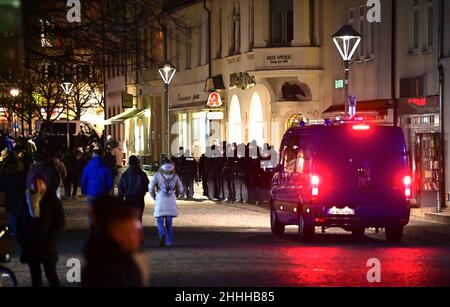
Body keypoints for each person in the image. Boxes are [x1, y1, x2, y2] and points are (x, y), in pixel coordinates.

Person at [81, 196, 148, 287]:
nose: (141, 237)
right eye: (134, 230)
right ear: (117, 233)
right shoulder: (128, 264)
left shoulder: (93, 253)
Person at [16, 172, 65, 287]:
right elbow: (19, 221)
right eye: (35, 182)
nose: (37, 185)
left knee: (51, 273)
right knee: (35, 276)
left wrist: (51, 238)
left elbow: (59, 220)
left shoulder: (51, 198)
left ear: (44, 184)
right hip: (30, 245)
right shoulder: (26, 198)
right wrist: (22, 240)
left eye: (40, 182)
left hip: (47, 244)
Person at [149, 160, 183, 247]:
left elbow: (151, 187)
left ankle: (162, 234)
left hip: (160, 198)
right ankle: (168, 241)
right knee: (169, 222)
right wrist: (177, 194)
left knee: (159, 220)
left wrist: (153, 195)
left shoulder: (157, 175)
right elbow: (181, 188)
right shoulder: (175, 175)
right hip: (170, 199)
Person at [81, 149, 114, 225]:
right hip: (103, 193)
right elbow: (110, 182)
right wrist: (107, 191)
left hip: (91, 193)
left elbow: (83, 180)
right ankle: (101, 229)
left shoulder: (88, 167)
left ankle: (92, 229)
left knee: (91, 212)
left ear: (93, 155)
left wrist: (84, 191)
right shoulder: (106, 168)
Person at [0, 155, 27, 235]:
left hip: (10, 198)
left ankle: (15, 230)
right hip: (20, 198)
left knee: (11, 214)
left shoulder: (6, 177)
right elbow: (25, 187)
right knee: (20, 213)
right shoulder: (21, 176)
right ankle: (21, 229)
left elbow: (2, 187)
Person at [118, 156, 149, 223]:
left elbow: (121, 189)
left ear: (129, 163)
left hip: (128, 199)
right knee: (138, 218)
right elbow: (147, 187)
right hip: (139, 199)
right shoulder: (142, 174)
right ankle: (137, 231)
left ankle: (130, 231)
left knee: (129, 218)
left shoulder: (125, 175)